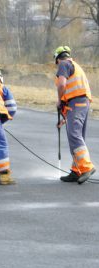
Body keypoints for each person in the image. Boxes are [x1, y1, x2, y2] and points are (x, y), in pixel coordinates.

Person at [54, 46, 96, 184]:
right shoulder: (74, 65)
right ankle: (76, 170)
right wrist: (65, 119)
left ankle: (86, 167)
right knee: (78, 136)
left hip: (77, 103)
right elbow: (73, 93)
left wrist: (59, 99)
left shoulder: (64, 64)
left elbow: (61, 85)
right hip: (80, 103)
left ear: (57, 59)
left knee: (74, 135)